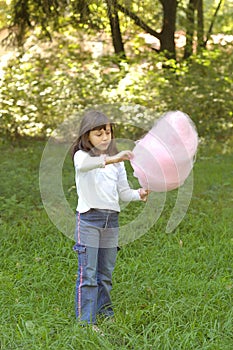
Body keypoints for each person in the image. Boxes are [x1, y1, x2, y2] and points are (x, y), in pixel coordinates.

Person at [72, 110, 148, 326]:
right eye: (99, 134)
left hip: (111, 222)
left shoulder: (117, 164)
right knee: (88, 275)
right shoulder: (81, 156)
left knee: (105, 274)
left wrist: (138, 194)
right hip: (89, 221)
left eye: (108, 133)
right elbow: (84, 166)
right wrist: (113, 158)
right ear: (87, 136)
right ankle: (86, 323)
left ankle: (105, 314)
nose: (105, 138)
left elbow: (123, 192)